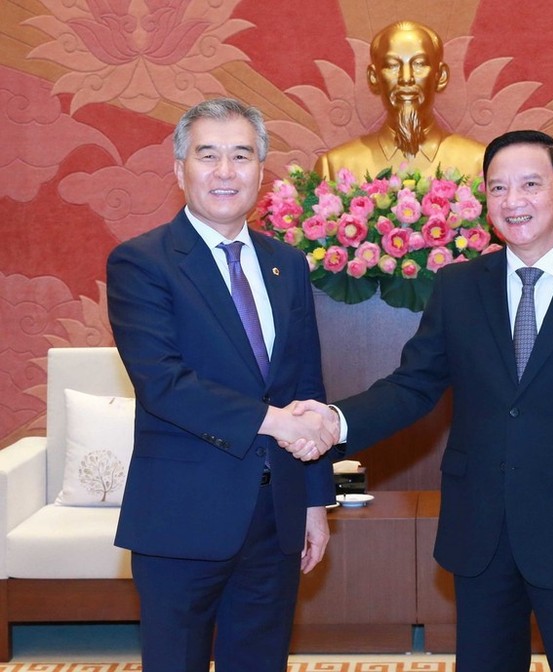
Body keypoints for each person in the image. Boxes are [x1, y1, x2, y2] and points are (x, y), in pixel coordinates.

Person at [293, 130, 553, 672]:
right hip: (480, 531)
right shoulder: (459, 287)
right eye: (498, 188)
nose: (514, 202)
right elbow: (413, 386)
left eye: (530, 185)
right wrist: (336, 419)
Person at [106, 97, 337, 672]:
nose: (226, 171)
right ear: (179, 167)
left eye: (242, 155)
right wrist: (277, 422)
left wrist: (313, 501)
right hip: (183, 516)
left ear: (263, 170)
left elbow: (307, 380)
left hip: (275, 515)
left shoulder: (287, 264)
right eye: (208, 155)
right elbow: (164, 383)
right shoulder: (142, 263)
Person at [314, 20, 485, 180]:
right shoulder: (335, 167)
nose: (406, 78)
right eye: (392, 65)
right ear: (373, 77)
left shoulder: (479, 163)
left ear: (440, 76)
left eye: (419, 64)